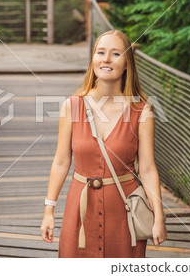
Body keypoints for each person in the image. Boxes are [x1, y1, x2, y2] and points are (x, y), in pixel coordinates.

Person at [40, 30, 167, 257]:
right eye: (100, 52)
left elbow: (147, 168)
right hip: (79, 210)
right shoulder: (72, 106)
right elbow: (60, 162)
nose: (106, 59)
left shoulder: (142, 111)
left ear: (127, 64)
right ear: (93, 60)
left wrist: (159, 216)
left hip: (125, 213)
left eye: (116, 54)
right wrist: (49, 210)